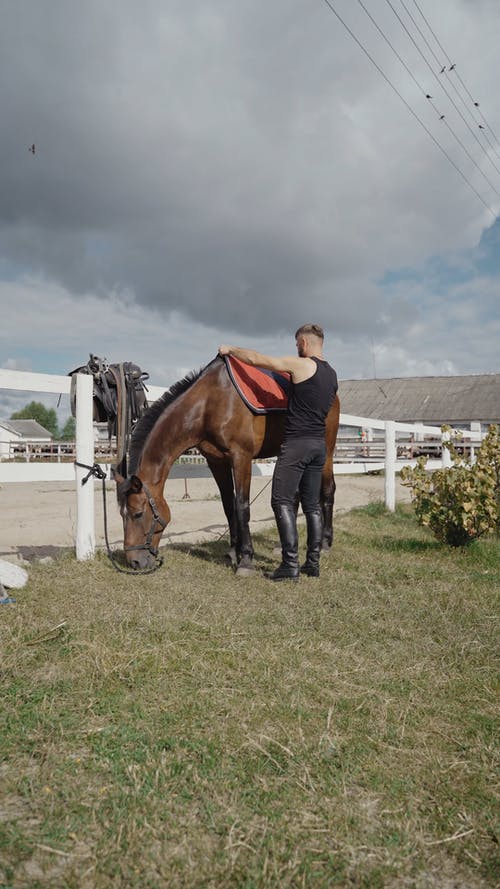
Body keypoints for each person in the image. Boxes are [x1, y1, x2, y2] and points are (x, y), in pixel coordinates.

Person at [219, 323, 338, 581]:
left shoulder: (302, 365)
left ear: (304, 343)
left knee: (281, 501)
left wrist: (231, 349)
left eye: (297, 345)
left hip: (297, 444)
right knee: (311, 505)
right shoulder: (332, 374)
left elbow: (260, 360)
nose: (296, 349)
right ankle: (312, 564)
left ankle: (289, 565)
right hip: (318, 445)